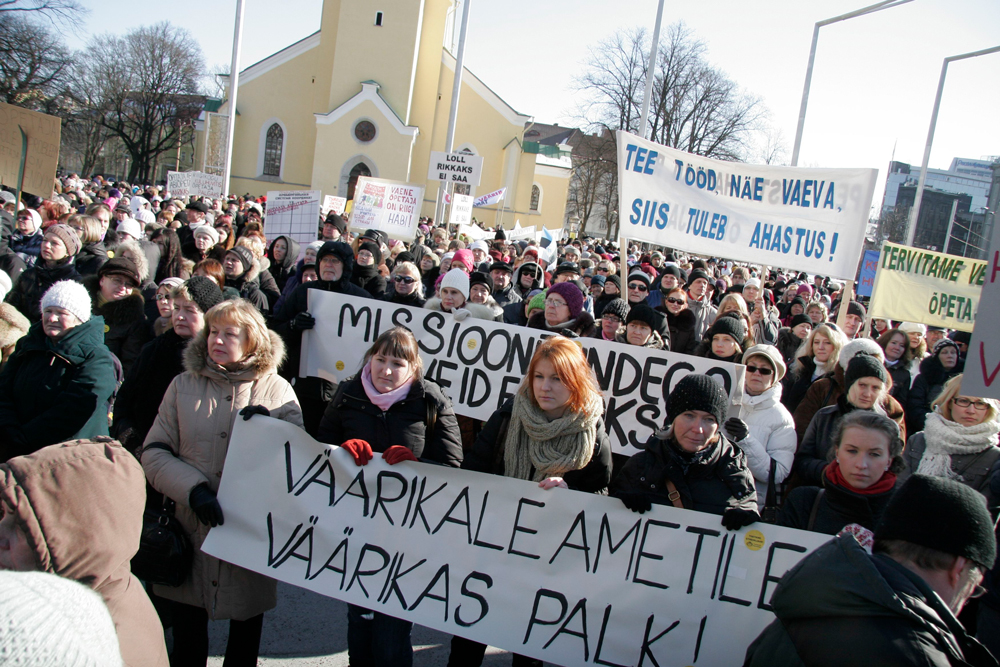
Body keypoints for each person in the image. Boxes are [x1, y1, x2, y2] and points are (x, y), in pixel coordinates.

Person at [141, 299, 304, 666]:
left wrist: (272, 430)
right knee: (187, 643)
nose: (216, 340)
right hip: (190, 528)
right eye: (213, 331)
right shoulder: (182, 385)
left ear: (252, 340)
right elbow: (154, 452)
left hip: (249, 534)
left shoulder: (277, 391)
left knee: (244, 645)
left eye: (229, 334)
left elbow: (296, 462)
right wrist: (193, 490)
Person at [450, 336, 612, 667]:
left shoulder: (592, 429)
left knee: (529, 643)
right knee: (469, 635)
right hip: (494, 545)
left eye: (557, 378)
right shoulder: (509, 416)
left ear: (575, 381)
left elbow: (601, 495)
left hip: (549, 556)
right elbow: (472, 474)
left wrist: (570, 494)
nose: (544, 387)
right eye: (538, 376)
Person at [318, 327, 463, 667]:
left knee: (391, 633)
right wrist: (341, 452)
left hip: (407, 534)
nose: (385, 370)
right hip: (355, 528)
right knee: (359, 623)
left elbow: (453, 465)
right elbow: (320, 449)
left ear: (413, 367)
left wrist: (418, 466)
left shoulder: (431, 400)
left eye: (397, 363)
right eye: (380, 359)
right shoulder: (347, 393)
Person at [745, 474, 997, 667]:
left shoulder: (802, 606)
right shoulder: (920, 655)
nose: (964, 602)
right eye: (973, 588)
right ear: (959, 567)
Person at [0, 438, 170, 666]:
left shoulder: (68, 645)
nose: (1, 535)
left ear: (73, 538)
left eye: (22, 529)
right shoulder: (110, 581)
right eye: (4, 515)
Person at [611, 373, 759, 527]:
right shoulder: (640, 466)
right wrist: (620, 502)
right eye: (689, 415)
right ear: (673, 418)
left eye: (709, 419)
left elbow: (750, 510)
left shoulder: (734, 471)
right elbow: (608, 520)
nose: (698, 429)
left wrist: (747, 516)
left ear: (717, 426)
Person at [0, 281, 116, 460]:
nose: (52, 318)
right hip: (16, 449)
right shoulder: (28, 346)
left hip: (69, 457)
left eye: (61, 313)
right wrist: (10, 430)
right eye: (48, 311)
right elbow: (3, 390)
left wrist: (25, 437)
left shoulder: (97, 357)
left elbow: (75, 409)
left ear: (79, 318)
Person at [112, 276, 223, 454]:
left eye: (189, 310)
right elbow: (124, 402)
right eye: (177, 308)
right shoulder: (154, 350)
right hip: (145, 452)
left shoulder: (220, 357)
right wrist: (132, 440)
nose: (180, 316)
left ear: (210, 316)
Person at [271, 241, 372, 435]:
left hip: (342, 390)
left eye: (335, 261)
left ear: (345, 266)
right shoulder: (303, 292)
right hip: (304, 387)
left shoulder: (361, 298)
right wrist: (293, 326)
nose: (329, 265)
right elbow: (276, 330)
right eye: (325, 260)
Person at [780, 411, 902, 535]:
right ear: (837, 453)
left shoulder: (905, 512)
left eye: (874, 454)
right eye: (852, 451)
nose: (861, 465)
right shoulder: (804, 503)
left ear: (889, 461)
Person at [795, 351, 906, 487]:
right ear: (849, 384)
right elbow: (803, 460)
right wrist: (828, 472)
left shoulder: (889, 427)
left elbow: (893, 468)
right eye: (862, 385)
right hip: (823, 490)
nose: (868, 393)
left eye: (875, 388)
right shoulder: (824, 417)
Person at [898, 374, 1000, 499]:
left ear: (988, 408)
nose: (971, 410)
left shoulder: (994, 455)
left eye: (980, 403)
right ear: (949, 402)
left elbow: (987, 506)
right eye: (963, 401)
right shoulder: (918, 441)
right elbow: (899, 489)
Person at [723, 345, 796, 511]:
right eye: (751, 368)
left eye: (764, 370)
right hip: (711, 494)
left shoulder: (782, 418)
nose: (756, 373)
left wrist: (745, 440)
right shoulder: (724, 401)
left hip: (747, 504)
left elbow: (777, 474)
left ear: (774, 377)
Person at [84, 257, 149, 376]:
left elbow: (130, 362)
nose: (123, 288)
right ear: (102, 280)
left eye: (129, 285)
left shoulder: (134, 318)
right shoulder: (79, 303)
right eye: (117, 280)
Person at [5, 223, 82, 322]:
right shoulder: (28, 274)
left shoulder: (73, 282)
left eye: (54, 243)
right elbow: (11, 306)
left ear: (68, 251)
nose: (46, 245)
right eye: (45, 240)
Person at [782, 322, 846, 413]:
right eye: (816, 342)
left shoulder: (840, 379)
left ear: (837, 345)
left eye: (827, 343)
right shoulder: (799, 371)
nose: (820, 347)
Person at [909, 338, 965, 434]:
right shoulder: (923, 379)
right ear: (936, 356)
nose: (950, 356)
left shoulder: (965, 380)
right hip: (928, 429)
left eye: (953, 352)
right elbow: (915, 407)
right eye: (944, 352)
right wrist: (933, 426)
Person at [526, 281, 596, 337]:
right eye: (549, 300)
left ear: (571, 310)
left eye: (558, 302)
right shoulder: (533, 326)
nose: (551, 306)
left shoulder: (586, 333)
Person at [425, 269, 497, 320]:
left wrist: (471, 321)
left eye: (454, 292)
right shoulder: (428, 310)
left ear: (464, 296)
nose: (448, 297)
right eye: (445, 291)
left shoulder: (481, 316)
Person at [222, 245, 269, 315]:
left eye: (234, 260)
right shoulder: (216, 284)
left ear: (245, 267)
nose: (228, 262)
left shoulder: (254, 294)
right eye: (227, 258)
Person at [878, 327, 913, 406]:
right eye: (894, 343)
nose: (897, 348)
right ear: (885, 342)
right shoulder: (872, 363)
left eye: (902, 345)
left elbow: (901, 402)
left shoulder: (904, 374)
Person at [685, 269, 718, 339]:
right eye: (698, 282)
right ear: (689, 285)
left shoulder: (713, 313)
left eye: (705, 283)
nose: (702, 285)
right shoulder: (678, 305)